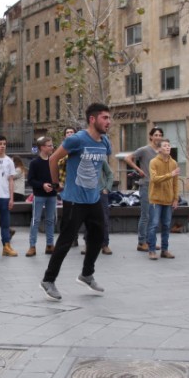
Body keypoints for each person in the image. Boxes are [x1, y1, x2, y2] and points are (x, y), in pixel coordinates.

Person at [40, 103, 112, 301]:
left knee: (98, 237)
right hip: (74, 200)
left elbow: (101, 167)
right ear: (92, 119)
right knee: (65, 241)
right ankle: (48, 280)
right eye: (105, 118)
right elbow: (53, 159)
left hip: (94, 198)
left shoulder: (105, 142)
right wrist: (56, 184)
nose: (109, 121)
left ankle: (87, 274)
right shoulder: (77, 139)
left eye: (109, 118)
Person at [124, 127, 164, 252]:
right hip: (146, 185)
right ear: (151, 136)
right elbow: (127, 158)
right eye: (156, 135)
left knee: (154, 216)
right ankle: (141, 242)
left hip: (157, 186)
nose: (158, 137)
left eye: (160, 135)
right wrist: (139, 170)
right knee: (145, 215)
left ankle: (150, 241)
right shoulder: (144, 150)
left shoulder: (161, 152)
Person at [147, 139, 181, 260]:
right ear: (159, 149)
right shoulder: (154, 162)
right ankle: (151, 250)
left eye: (169, 145)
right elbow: (154, 179)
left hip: (168, 199)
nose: (167, 147)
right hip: (155, 199)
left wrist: (176, 198)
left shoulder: (174, 163)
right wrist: (170, 175)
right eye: (165, 146)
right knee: (154, 225)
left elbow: (175, 183)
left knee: (166, 225)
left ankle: (164, 250)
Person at [27, 136, 57, 257]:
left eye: (52, 145)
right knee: (36, 220)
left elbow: (57, 177)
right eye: (49, 145)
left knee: (50, 220)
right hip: (39, 195)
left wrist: (55, 185)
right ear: (42, 147)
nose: (52, 147)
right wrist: (42, 185)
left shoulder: (54, 161)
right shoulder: (34, 163)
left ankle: (50, 244)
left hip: (52, 195)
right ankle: (32, 246)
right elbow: (30, 180)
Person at [82, 159, 115, 256]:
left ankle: (104, 244)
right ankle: (87, 244)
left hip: (101, 193)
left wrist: (107, 188)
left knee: (104, 219)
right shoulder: (83, 159)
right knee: (88, 219)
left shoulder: (101, 159)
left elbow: (110, 174)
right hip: (87, 193)